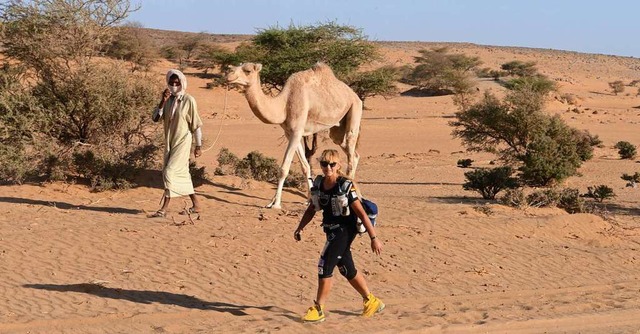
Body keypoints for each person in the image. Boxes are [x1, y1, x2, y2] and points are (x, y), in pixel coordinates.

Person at [293, 149, 384, 323]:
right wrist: (300, 228)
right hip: (331, 231)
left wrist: (374, 238)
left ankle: (318, 309)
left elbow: (362, 214)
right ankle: (371, 301)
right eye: (324, 164)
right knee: (346, 268)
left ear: (338, 165)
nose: (328, 167)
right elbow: (312, 209)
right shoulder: (319, 185)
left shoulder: (345, 186)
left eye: (332, 164)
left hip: (344, 231)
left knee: (324, 265)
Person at [150, 69, 203, 217]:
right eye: (171, 82)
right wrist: (162, 101)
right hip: (170, 141)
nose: (174, 85)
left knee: (170, 172)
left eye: (177, 82)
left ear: (182, 83)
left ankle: (163, 209)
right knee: (181, 173)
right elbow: (155, 118)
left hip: (183, 141)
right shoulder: (168, 100)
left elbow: (196, 125)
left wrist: (198, 146)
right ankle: (196, 204)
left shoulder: (189, 100)